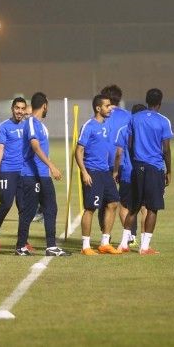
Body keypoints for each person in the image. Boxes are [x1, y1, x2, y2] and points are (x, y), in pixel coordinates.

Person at [117, 88, 173, 255]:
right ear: (160, 103)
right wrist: (169, 171)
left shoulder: (134, 118)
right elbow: (166, 149)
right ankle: (145, 247)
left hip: (137, 167)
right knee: (153, 207)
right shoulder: (163, 121)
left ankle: (123, 244)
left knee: (133, 207)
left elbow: (129, 143)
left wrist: (135, 161)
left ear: (147, 101)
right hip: (154, 168)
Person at [15, 92, 70, 256]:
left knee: (50, 208)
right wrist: (51, 166)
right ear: (44, 105)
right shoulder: (32, 122)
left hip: (42, 175)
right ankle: (20, 246)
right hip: (31, 175)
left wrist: (48, 168)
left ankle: (51, 246)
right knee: (29, 211)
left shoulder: (40, 125)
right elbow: (35, 146)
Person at [75, 95, 121, 255]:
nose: (110, 108)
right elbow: (78, 151)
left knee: (113, 203)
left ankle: (104, 243)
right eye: (107, 106)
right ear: (98, 108)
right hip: (92, 172)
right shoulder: (89, 126)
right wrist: (84, 172)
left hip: (105, 172)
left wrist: (113, 107)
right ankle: (85, 246)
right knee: (90, 208)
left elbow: (112, 110)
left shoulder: (107, 123)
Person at [0, 97, 28, 251]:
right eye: (17, 108)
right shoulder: (4, 126)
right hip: (7, 171)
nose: (19, 111)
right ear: (12, 109)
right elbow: (0, 149)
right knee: (6, 204)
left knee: (24, 207)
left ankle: (23, 241)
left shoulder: (27, 126)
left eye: (22, 108)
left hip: (23, 172)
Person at [99, 84, 132, 237]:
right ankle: (130, 235)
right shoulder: (128, 116)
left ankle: (105, 233)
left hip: (104, 163)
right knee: (126, 202)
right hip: (125, 163)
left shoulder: (101, 115)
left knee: (105, 201)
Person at [114, 103, 148, 247]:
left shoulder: (123, 129)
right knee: (145, 207)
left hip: (127, 172)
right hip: (146, 172)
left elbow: (119, 153)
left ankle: (130, 237)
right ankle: (145, 243)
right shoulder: (147, 130)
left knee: (124, 206)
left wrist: (116, 171)